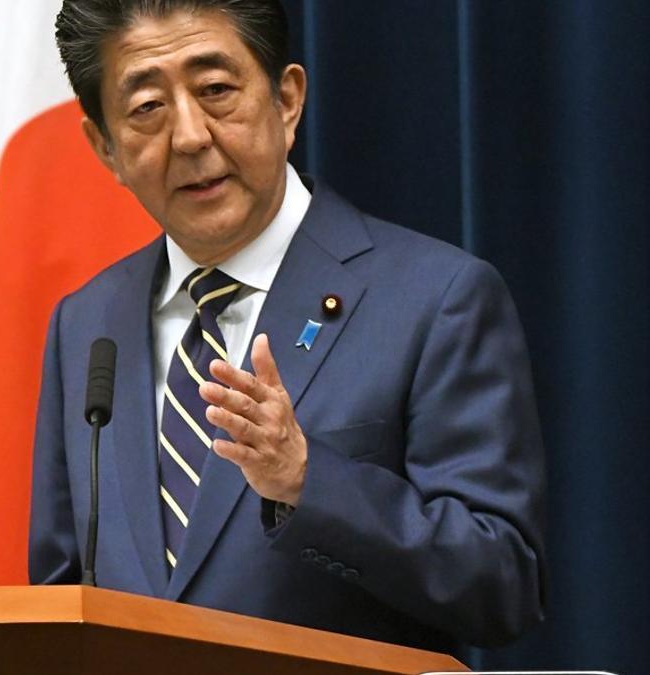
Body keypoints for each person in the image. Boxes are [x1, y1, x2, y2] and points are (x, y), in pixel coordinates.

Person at [28, 0, 546, 654]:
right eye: (147, 108)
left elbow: (501, 584)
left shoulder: (435, 299)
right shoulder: (86, 321)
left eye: (216, 91)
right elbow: (60, 586)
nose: (189, 135)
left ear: (287, 99)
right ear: (105, 146)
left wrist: (308, 480)